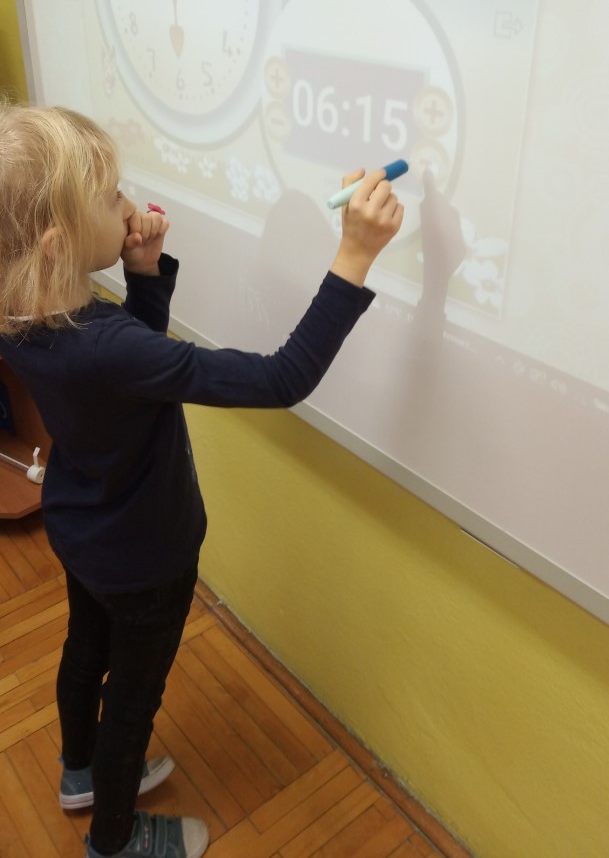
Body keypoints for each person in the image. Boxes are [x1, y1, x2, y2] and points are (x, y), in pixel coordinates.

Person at [0, 101, 403, 858]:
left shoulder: (22, 314)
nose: (128, 205)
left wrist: (142, 275)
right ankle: (114, 841)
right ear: (57, 244)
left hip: (83, 531)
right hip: (147, 559)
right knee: (131, 706)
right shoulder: (108, 346)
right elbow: (281, 378)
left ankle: (78, 774)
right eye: (111, 197)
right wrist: (354, 254)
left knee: (85, 652)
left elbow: (124, 381)